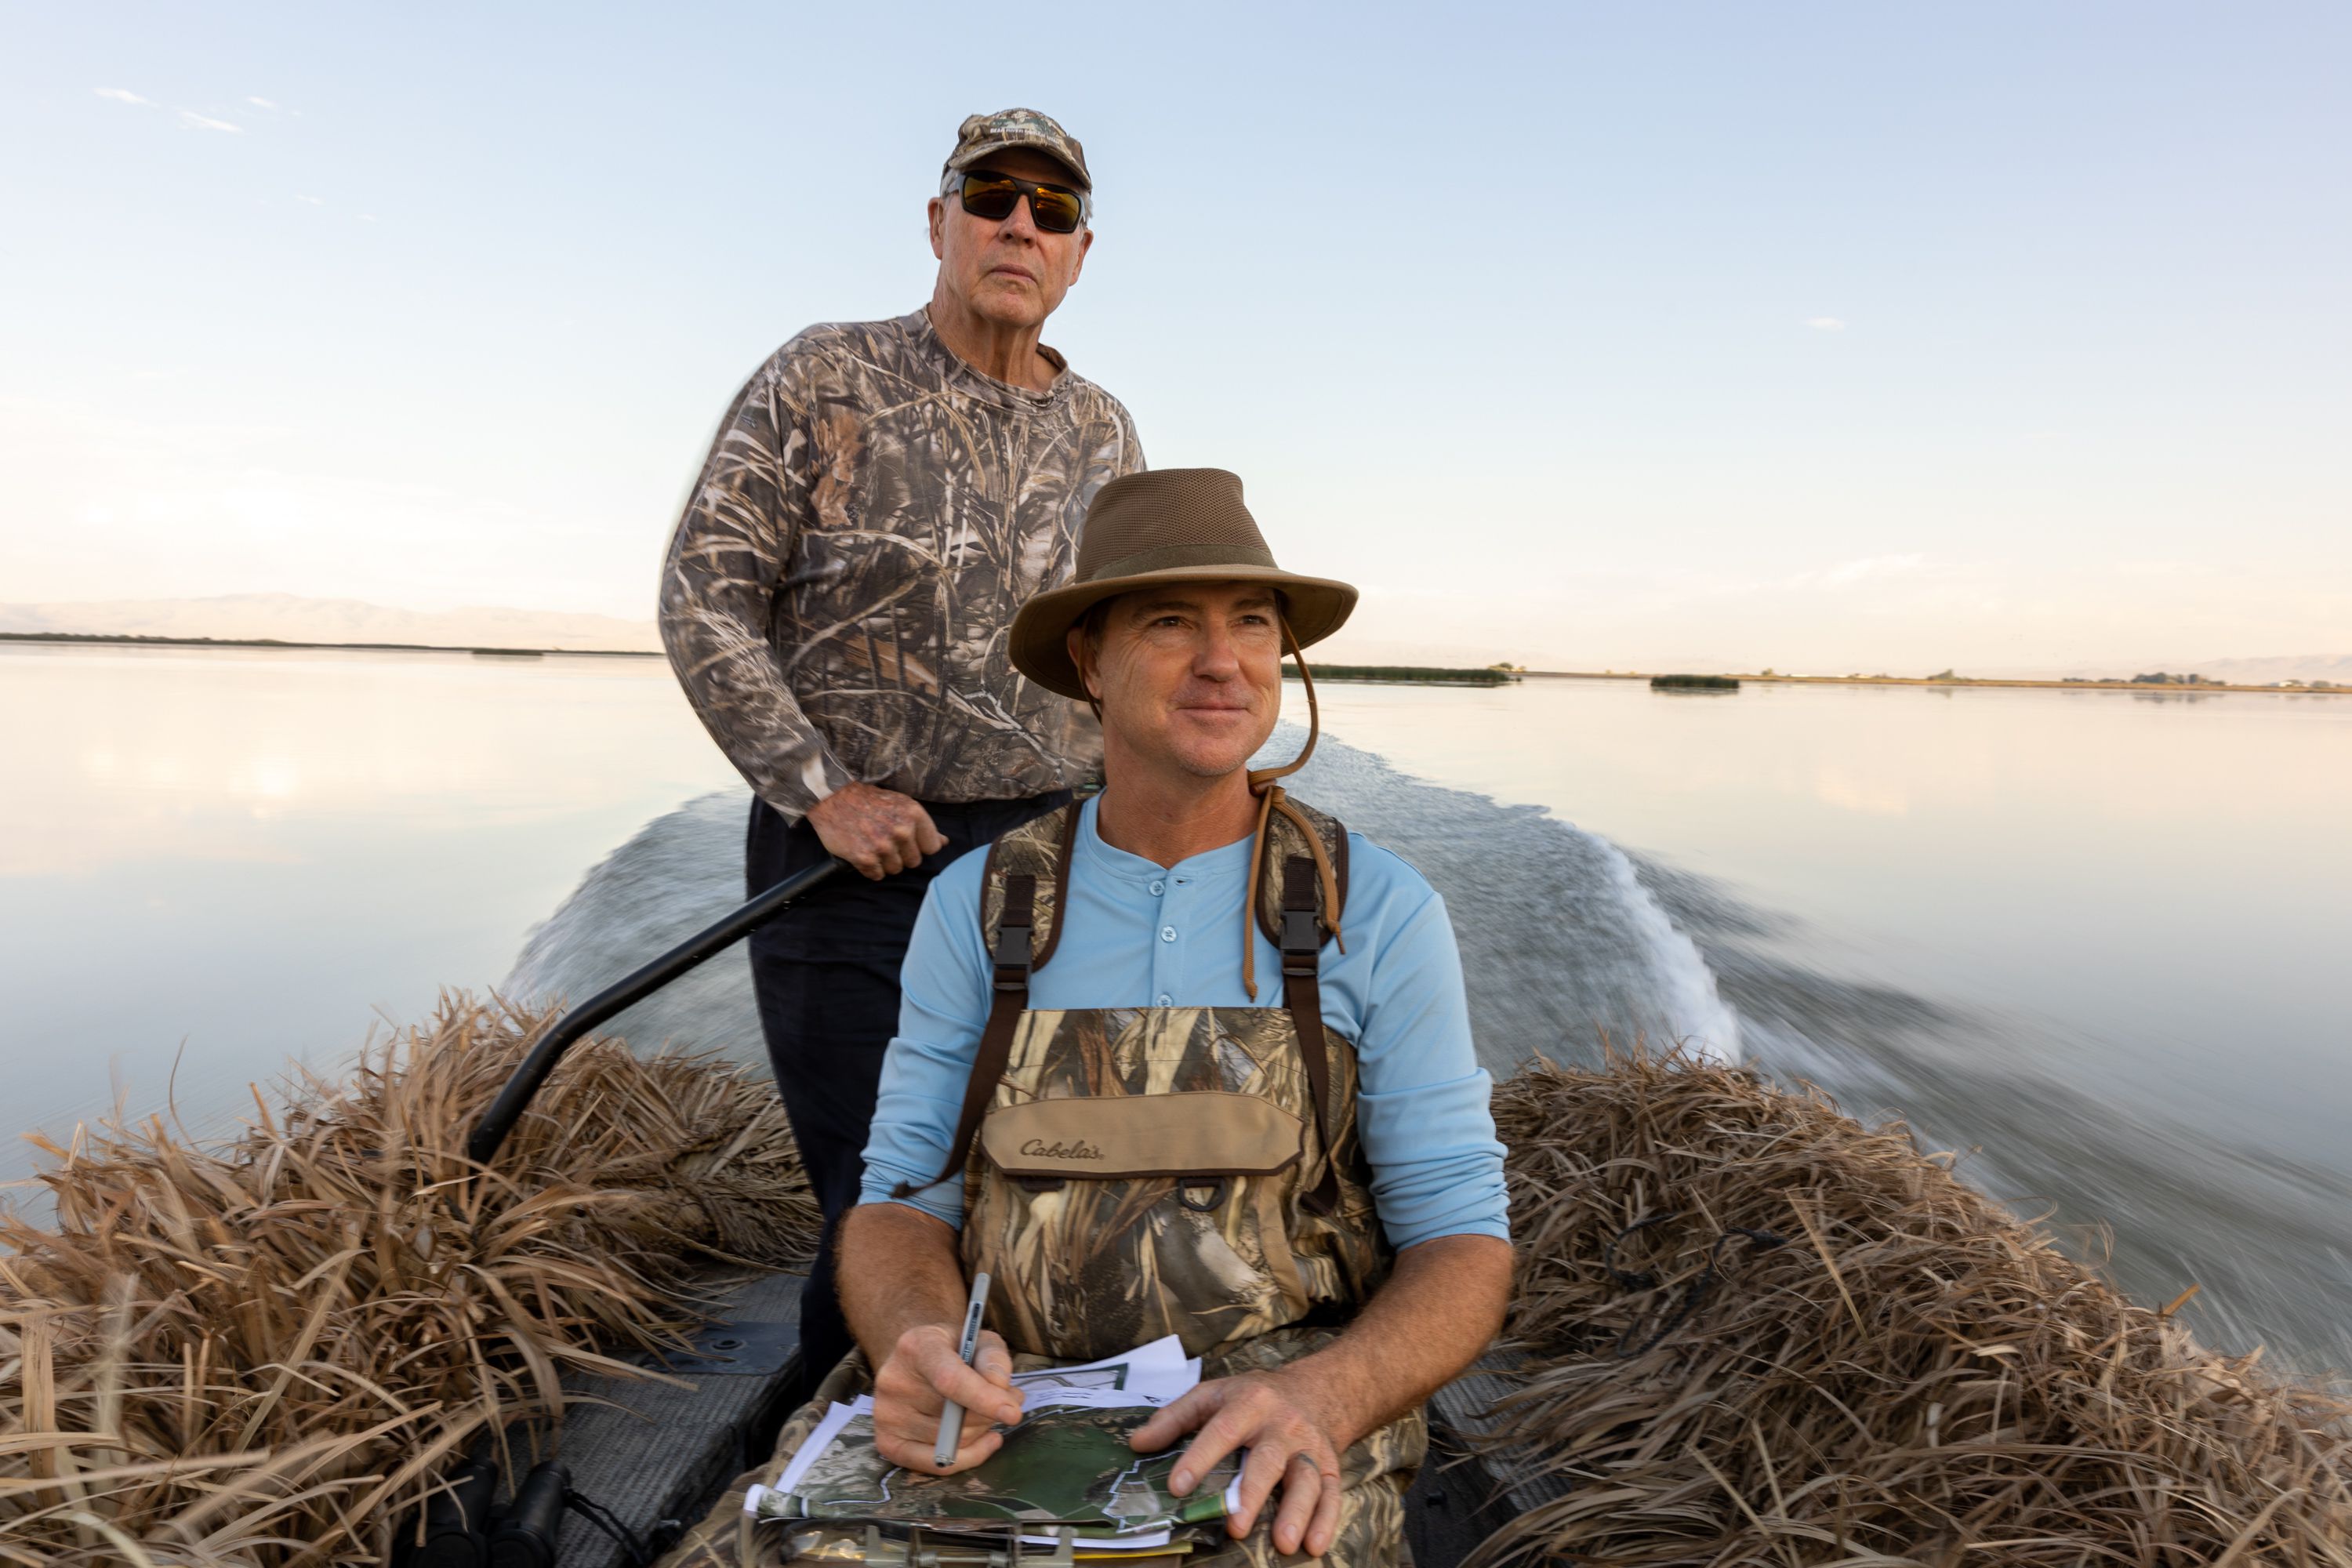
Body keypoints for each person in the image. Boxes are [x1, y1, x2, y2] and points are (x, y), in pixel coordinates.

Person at [833, 468, 1515, 1566]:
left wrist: (1326, 1396)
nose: (1223, 660)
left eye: (1253, 625)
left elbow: (1461, 1235)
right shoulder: (982, 902)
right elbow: (903, 1201)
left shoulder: (1378, 907)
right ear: (1088, 665)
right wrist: (916, 1347)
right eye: (1170, 624)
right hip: (1005, 1405)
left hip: (1280, 1413)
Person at [657, 108, 1142, 1381]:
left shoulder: (1105, 434)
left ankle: (1025, 1443)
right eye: (993, 196)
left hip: (1048, 869)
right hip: (853, 868)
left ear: (1082, 251)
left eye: (1053, 208)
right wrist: (821, 794)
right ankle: (833, 1445)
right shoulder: (823, 376)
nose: (1019, 224)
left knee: (1035, 1183)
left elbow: (1129, 650)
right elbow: (704, 594)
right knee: (881, 1195)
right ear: (939, 222)